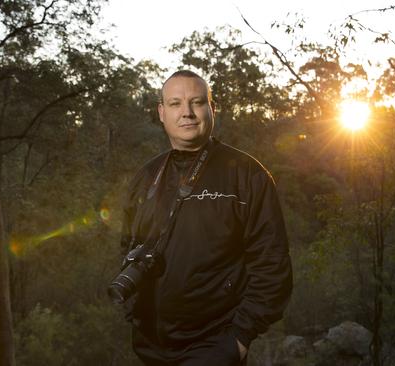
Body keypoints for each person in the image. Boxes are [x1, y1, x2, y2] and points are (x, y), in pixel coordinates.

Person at [118, 70, 292, 365]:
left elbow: (272, 266)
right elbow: (128, 246)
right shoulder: (146, 177)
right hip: (151, 346)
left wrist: (238, 339)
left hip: (215, 348)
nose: (186, 113)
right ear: (161, 113)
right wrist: (134, 313)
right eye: (175, 104)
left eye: (196, 102)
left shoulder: (247, 174)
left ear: (212, 108)